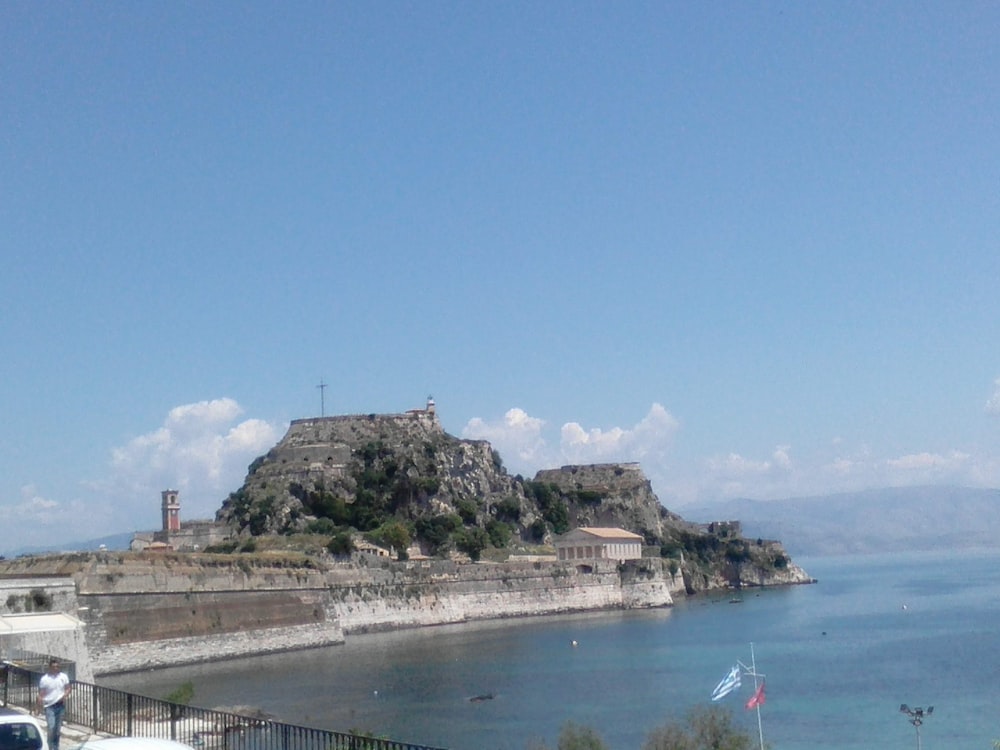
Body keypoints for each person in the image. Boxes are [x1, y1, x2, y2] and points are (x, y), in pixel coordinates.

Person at [35, 658, 72, 750]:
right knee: (51, 727)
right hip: (49, 706)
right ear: (50, 667)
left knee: (57, 729)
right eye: (54, 667)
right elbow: (41, 694)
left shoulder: (63, 677)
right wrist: (37, 707)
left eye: (57, 667)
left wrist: (65, 695)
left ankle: (56, 747)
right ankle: (50, 746)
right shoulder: (45, 679)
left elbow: (68, 688)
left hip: (60, 705)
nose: (56, 668)